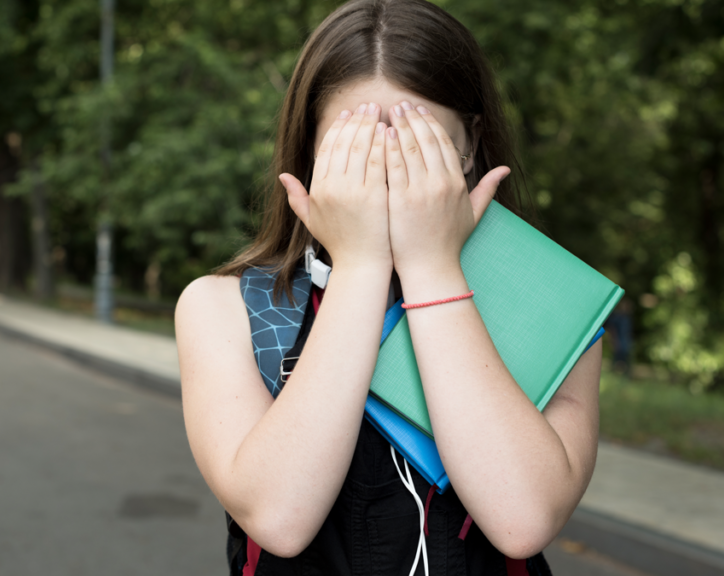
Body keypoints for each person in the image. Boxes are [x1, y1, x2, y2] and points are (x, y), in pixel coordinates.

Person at [175, 1, 603, 575]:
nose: (390, 174)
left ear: (470, 146)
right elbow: (279, 516)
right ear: (308, 152)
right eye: (357, 151)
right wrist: (359, 267)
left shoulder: (554, 306)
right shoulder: (223, 307)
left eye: (418, 148)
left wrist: (431, 269)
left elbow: (521, 519)